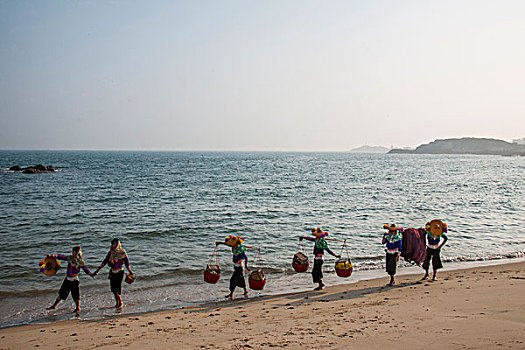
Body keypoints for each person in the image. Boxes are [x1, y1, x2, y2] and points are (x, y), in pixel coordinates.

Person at [46, 246, 93, 313]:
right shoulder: (70, 258)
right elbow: (61, 257)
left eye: (74, 251)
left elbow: (85, 268)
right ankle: (54, 305)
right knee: (62, 293)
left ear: (75, 252)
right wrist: (52, 256)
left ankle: (78, 308)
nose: (73, 252)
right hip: (68, 279)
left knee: (75, 295)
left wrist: (90, 274)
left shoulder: (79, 261)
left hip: (74, 280)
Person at [93, 238, 134, 308]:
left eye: (114, 244)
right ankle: (117, 303)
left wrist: (130, 271)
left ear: (117, 244)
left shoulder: (122, 253)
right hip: (112, 272)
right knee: (113, 289)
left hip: (120, 272)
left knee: (117, 288)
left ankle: (120, 302)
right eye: (112, 244)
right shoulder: (110, 252)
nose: (112, 245)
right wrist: (97, 270)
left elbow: (126, 263)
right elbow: (105, 261)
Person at [216, 235, 251, 300]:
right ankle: (244, 290)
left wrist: (246, 266)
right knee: (239, 279)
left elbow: (246, 258)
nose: (233, 245)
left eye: (234, 244)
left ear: (237, 244)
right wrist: (219, 243)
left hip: (240, 267)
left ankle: (232, 293)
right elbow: (226, 244)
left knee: (234, 280)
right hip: (236, 267)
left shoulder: (241, 249)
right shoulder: (233, 247)